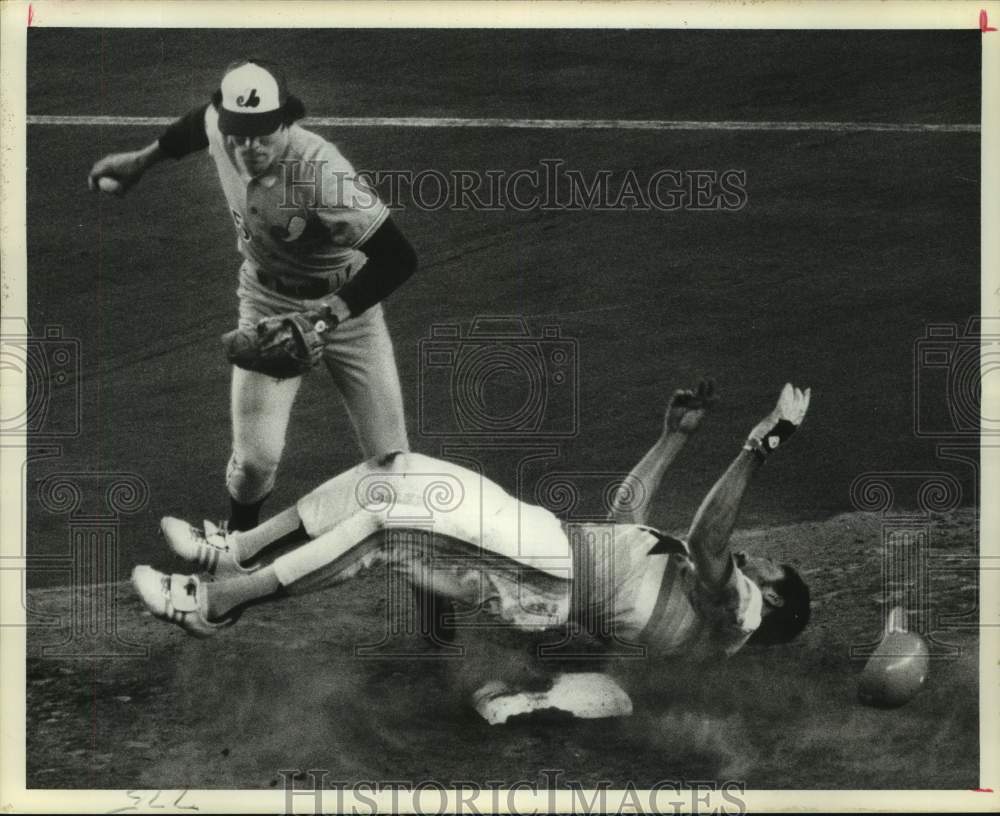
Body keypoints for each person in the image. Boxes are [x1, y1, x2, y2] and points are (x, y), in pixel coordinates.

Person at [133, 380, 812, 666]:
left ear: (771, 596)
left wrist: (761, 443)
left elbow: (710, 538)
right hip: (549, 545)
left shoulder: (737, 614)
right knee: (395, 470)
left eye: (766, 569)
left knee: (385, 530)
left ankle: (217, 604)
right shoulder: (704, 589)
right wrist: (673, 438)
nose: (753, 561)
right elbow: (624, 521)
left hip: (546, 577)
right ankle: (235, 550)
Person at [88, 59, 416, 531]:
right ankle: (234, 551)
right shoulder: (224, 130)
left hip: (349, 307)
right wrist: (141, 162)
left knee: (393, 463)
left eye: (264, 135)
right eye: (239, 135)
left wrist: (325, 318)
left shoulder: (323, 174)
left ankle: (426, 593)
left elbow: (399, 258)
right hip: (266, 303)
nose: (250, 147)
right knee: (255, 462)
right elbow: (198, 125)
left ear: (287, 122)